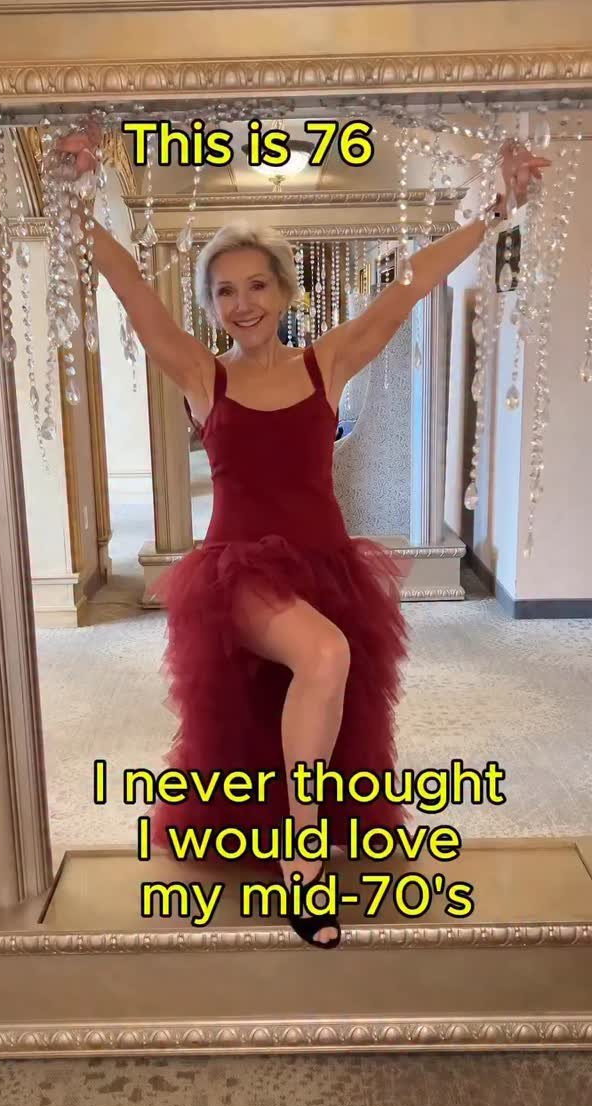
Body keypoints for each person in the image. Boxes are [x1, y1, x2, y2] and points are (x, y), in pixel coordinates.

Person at [56, 125, 549, 948]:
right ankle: (302, 855)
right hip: (239, 575)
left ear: (285, 291)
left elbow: (412, 286)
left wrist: (494, 208)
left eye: (257, 284)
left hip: (325, 565)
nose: (242, 302)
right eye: (224, 291)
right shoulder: (203, 374)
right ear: (211, 305)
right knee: (324, 655)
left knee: (326, 674)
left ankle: (300, 826)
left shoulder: (328, 362)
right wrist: (78, 196)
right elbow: (132, 287)